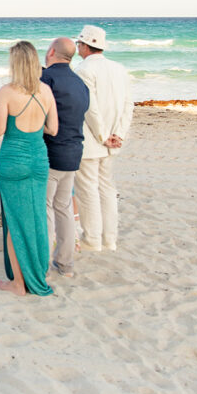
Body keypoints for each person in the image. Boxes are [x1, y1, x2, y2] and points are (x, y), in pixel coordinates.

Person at [0, 41, 58, 297]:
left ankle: (18, 284)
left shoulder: (7, 91)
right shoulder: (46, 91)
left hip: (13, 161)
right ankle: (39, 271)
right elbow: (53, 129)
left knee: (15, 222)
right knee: (37, 217)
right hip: (39, 159)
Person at [73, 25, 133, 252]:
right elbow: (128, 105)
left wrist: (103, 135)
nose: (78, 47)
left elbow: (90, 108)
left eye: (79, 43)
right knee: (106, 188)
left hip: (91, 140)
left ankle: (93, 239)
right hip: (113, 139)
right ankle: (110, 239)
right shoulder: (119, 69)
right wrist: (119, 133)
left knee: (88, 190)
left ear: (84, 45)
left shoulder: (83, 70)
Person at [40, 38, 89, 276]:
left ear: (51, 52)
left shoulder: (47, 79)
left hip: (52, 152)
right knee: (64, 208)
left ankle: (44, 263)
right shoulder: (80, 83)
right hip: (74, 152)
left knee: (47, 208)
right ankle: (66, 264)